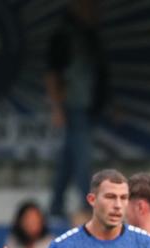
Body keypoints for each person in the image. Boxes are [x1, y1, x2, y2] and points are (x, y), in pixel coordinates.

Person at [46, 0, 108, 219]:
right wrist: (57, 108)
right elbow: (53, 74)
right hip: (73, 106)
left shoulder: (90, 36)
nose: (94, 11)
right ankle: (87, 204)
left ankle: (55, 205)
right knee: (82, 160)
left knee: (68, 159)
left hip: (88, 108)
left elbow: (99, 76)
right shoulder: (63, 36)